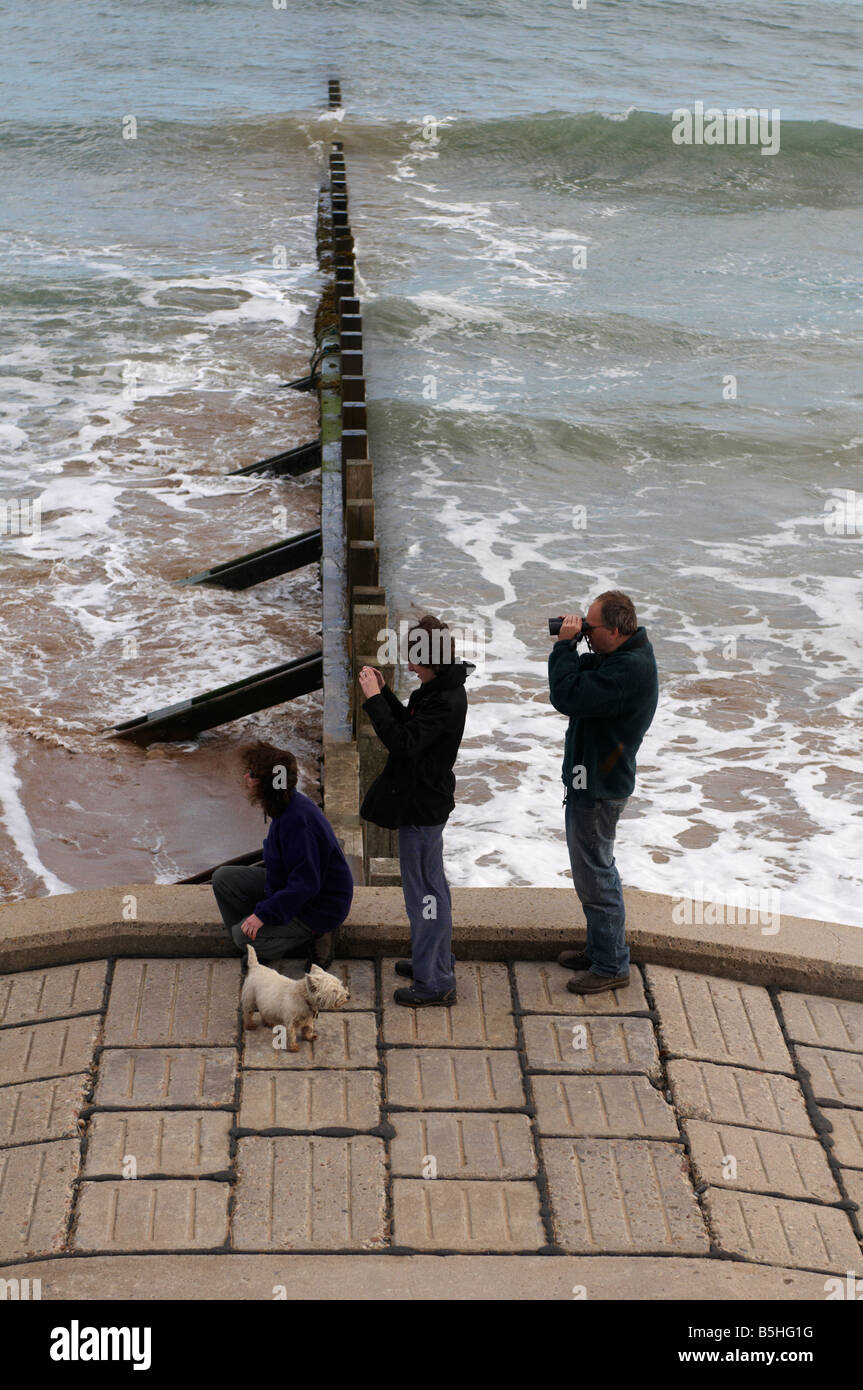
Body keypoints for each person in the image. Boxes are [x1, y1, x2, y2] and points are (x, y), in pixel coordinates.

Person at [358, 615, 473, 1008]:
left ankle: (435, 982)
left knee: (423, 895)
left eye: (416, 661)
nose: (410, 667)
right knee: (433, 888)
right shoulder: (440, 687)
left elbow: (404, 743)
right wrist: (386, 694)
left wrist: (373, 700)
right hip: (428, 803)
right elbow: (410, 724)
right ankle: (433, 961)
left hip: (423, 810)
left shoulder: (445, 700)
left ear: (434, 661)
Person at [548, 590, 658, 994]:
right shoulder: (624, 656)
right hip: (592, 781)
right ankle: (600, 950)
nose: (587, 634)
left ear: (614, 629)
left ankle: (612, 964)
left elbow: (567, 694)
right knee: (592, 872)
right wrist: (576, 639)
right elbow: (588, 671)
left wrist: (564, 647)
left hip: (599, 787)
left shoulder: (629, 671)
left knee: (597, 876)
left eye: (592, 627)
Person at [212, 742, 353, 967]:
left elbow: (306, 884)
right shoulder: (283, 805)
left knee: (241, 936)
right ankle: (262, 941)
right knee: (223, 879)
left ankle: (314, 935)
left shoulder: (298, 822)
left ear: (269, 785)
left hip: (318, 906)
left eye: (252, 774)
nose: (246, 777)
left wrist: (262, 915)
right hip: (291, 885)